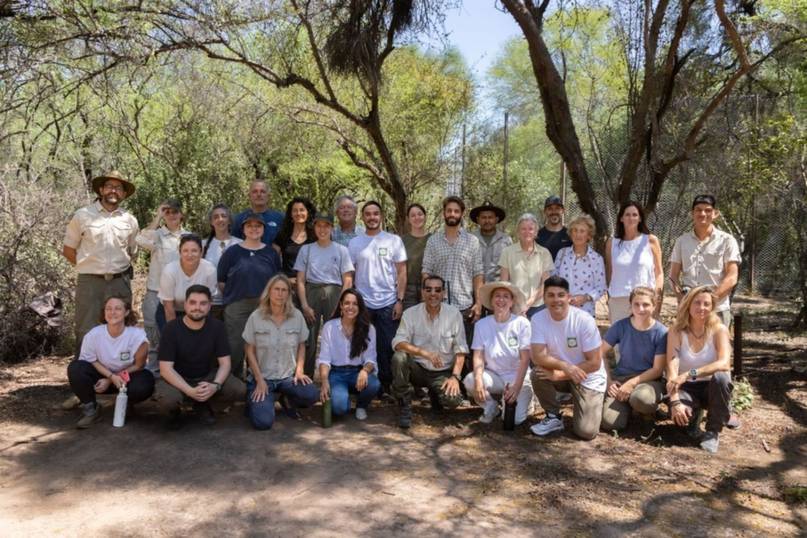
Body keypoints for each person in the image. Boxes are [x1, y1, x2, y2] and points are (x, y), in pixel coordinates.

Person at [62, 170, 139, 356]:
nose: (114, 191)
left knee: (121, 326)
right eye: (110, 186)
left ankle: (120, 374)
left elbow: (132, 252)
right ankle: (84, 375)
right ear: (102, 189)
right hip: (90, 283)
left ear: (123, 194)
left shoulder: (129, 220)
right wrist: (90, 268)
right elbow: (68, 250)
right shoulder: (82, 215)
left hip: (119, 282)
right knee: (86, 328)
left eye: (118, 188)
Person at [155, 285, 246, 429]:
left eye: (203, 303)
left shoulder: (217, 327)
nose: (197, 307)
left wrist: (215, 386)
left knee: (238, 389)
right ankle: (175, 412)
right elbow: (165, 369)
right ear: (185, 305)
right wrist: (189, 390)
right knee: (168, 400)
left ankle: (204, 404)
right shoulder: (171, 328)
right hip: (178, 379)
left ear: (209, 306)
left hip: (206, 377)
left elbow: (225, 364)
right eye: (192, 302)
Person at [530, 276, 606, 440]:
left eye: (560, 295)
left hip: (588, 377)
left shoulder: (584, 320)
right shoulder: (537, 319)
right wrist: (565, 367)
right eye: (550, 295)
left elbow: (595, 363)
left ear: (569, 297)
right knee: (538, 373)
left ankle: (598, 399)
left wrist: (561, 374)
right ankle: (553, 417)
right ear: (544, 298)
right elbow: (537, 356)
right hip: (565, 372)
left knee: (586, 432)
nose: (556, 300)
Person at [243, 275, 319, 430]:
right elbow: (249, 350)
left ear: (289, 294)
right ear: (269, 292)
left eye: (284, 290)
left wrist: (299, 371)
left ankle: (286, 399)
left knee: (311, 395)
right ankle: (256, 401)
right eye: (276, 289)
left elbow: (301, 345)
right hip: (263, 378)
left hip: (287, 378)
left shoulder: (297, 315)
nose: (280, 294)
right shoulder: (256, 317)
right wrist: (259, 379)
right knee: (263, 422)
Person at [391, 275, 468, 428]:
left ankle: (435, 395)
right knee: (399, 357)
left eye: (437, 290)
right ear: (422, 292)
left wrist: (454, 377)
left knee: (453, 401)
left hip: (442, 372)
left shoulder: (454, 315)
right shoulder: (410, 314)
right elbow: (398, 342)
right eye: (429, 289)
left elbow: (461, 350)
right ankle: (404, 404)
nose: (433, 293)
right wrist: (425, 353)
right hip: (418, 370)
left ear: (444, 293)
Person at [66, 296, 154, 428]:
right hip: (102, 375)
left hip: (127, 376)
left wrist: (113, 379)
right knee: (76, 368)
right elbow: (91, 361)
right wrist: (109, 376)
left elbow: (139, 365)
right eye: (109, 309)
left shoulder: (137, 336)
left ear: (126, 312)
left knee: (145, 383)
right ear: (104, 312)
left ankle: (126, 403)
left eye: (118, 308)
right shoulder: (94, 335)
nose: (112, 312)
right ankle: (91, 409)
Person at [666, 286, 733, 454]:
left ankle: (713, 431)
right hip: (686, 387)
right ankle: (693, 415)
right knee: (679, 417)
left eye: (706, 304)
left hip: (711, 387)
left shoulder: (719, 330)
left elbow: (724, 363)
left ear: (712, 307)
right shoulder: (676, 330)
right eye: (697, 303)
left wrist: (690, 373)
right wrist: (674, 402)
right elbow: (672, 370)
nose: (701, 308)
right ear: (688, 304)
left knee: (722, 378)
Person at [347, 201, 407, 390]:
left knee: (386, 346)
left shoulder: (393, 240)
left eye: (375, 213)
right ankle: (361, 385)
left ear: (381, 216)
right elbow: (351, 273)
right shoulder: (355, 243)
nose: (372, 217)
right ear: (362, 217)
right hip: (363, 303)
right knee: (361, 343)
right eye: (368, 214)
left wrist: (400, 300)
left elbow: (402, 272)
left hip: (388, 302)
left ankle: (386, 386)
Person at [218, 212, 282, 378]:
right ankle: (233, 381)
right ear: (243, 229)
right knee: (235, 344)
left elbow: (276, 280)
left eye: (258, 226)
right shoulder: (232, 252)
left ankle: (258, 380)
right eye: (250, 226)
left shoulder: (271, 253)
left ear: (263, 229)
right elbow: (222, 281)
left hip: (264, 305)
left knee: (262, 344)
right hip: (237, 304)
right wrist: (235, 296)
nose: (254, 229)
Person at [463, 281, 533, 425]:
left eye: (506, 296)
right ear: (491, 300)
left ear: (512, 301)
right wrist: (478, 380)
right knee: (470, 380)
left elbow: (525, 359)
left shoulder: (522, 323)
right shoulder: (482, 325)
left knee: (515, 420)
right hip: (494, 375)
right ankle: (490, 406)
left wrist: (517, 386)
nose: (501, 300)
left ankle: (526, 398)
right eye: (497, 296)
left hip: (517, 377)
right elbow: (478, 356)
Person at [600, 287, 667, 434]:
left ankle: (647, 414)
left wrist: (631, 384)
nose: (640, 309)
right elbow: (599, 353)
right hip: (621, 379)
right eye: (636, 304)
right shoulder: (620, 326)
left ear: (654, 305)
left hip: (648, 381)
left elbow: (657, 370)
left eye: (646, 304)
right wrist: (609, 381)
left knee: (642, 399)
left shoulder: (661, 332)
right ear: (630, 305)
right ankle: (629, 408)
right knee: (609, 423)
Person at [295, 212, 354, 377]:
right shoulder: (306, 250)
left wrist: (341, 304)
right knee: (308, 338)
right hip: (311, 292)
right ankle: (305, 378)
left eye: (326, 225)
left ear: (332, 228)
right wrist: (305, 305)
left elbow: (347, 280)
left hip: (335, 292)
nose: (322, 229)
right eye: (319, 225)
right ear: (314, 228)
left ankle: (336, 378)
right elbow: (300, 280)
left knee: (336, 336)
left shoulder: (341, 250)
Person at [670, 194, 741, 329]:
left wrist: (711, 300)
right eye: (698, 210)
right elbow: (673, 276)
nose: (703, 214)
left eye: (708, 210)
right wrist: (683, 300)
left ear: (715, 214)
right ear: (692, 213)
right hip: (689, 311)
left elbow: (732, 277)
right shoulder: (681, 241)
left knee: (718, 348)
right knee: (688, 349)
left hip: (717, 309)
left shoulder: (727, 241)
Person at [422, 196, 484, 350]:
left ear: (461, 214)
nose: (452, 214)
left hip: (464, 307)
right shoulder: (433, 241)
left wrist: (478, 303)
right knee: (439, 350)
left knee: (464, 351)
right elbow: (426, 272)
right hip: (438, 306)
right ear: (443, 213)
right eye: (449, 210)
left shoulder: (472, 241)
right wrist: (429, 298)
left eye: (456, 211)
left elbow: (478, 274)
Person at [317, 289, 381, 419]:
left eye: (355, 304)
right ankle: (342, 400)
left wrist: (364, 371)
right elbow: (324, 359)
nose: (350, 307)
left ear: (360, 307)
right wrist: (324, 381)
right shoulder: (329, 327)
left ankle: (361, 406)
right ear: (341, 305)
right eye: (347, 303)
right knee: (339, 409)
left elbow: (371, 358)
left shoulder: (368, 328)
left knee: (374, 384)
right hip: (336, 374)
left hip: (357, 372)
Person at [605, 201, 663, 323]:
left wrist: (656, 296)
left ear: (640, 218)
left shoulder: (650, 240)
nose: (631, 218)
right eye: (627, 215)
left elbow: (659, 273)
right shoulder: (612, 243)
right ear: (621, 218)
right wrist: (610, 297)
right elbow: (610, 272)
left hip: (644, 300)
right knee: (620, 341)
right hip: (618, 299)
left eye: (634, 215)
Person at [499, 213, 555, 318]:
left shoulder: (544, 253)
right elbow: (504, 283)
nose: (527, 232)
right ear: (518, 232)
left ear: (536, 232)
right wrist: (514, 304)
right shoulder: (507, 252)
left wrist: (529, 303)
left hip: (539, 306)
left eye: (530, 229)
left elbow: (546, 283)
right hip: (514, 306)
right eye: (523, 229)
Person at [158, 234, 218, 328]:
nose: (190, 255)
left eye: (194, 251)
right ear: (180, 252)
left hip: (198, 311)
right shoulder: (169, 270)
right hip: (172, 311)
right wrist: (175, 332)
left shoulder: (209, 270)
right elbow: (168, 307)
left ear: (201, 252)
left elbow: (208, 302)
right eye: (185, 251)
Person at [553, 214, 606, 318]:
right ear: (571, 233)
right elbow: (554, 279)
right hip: (562, 309)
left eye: (582, 231)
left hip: (585, 312)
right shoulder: (562, 254)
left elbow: (601, 287)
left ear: (589, 235)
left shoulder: (596, 259)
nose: (578, 234)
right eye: (575, 230)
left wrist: (585, 298)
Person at [202, 204, 242, 319]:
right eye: (216, 217)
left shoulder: (240, 244)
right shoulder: (203, 245)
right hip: (210, 303)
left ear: (229, 220)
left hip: (235, 302)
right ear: (211, 222)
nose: (220, 219)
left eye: (223, 216)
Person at [273, 197, 317, 287]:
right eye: (295, 210)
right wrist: (285, 279)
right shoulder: (283, 234)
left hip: (310, 285)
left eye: (302, 210)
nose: (298, 213)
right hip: (287, 285)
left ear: (308, 213)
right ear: (291, 214)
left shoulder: (315, 235)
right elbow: (272, 261)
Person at [470, 200, 512, 283]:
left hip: (499, 290)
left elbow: (511, 267)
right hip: (475, 288)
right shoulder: (470, 239)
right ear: (478, 220)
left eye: (490, 217)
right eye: (483, 217)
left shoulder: (506, 240)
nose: (487, 221)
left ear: (496, 219)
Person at [232, 180, 284, 244]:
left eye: (262, 191)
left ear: (268, 196)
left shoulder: (280, 218)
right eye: (255, 192)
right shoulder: (239, 219)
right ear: (249, 196)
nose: (259, 194)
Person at [401, 203, 432, 310]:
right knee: (409, 324)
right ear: (408, 219)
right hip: (408, 290)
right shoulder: (402, 241)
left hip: (430, 288)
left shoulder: (434, 240)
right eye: (413, 215)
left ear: (425, 216)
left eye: (420, 214)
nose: (417, 218)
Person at [536, 195, 572, 261]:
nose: (554, 212)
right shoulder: (537, 235)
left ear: (563, 211)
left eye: (557, 208)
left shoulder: (570, 235)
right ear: (545, 211)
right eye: (550, 209)